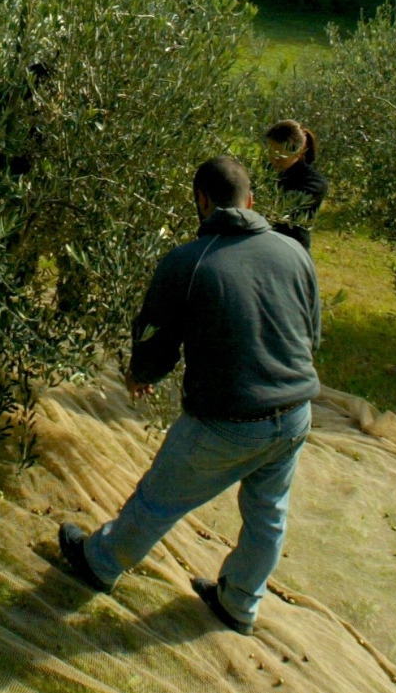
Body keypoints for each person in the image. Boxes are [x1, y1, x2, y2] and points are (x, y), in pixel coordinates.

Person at [56, 155, 322, 635]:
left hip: (228, 420)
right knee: (268, 514)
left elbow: (155, 340)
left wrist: (141, 374)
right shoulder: (294, 252)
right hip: (296, 414)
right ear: (252, 200)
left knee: (158, 500)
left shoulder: (187, 261)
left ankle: (98, 562)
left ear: (201, 201)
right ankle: (239, 603)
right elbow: (311, 333)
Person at [263, 118, 329, 234]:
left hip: (293, 246)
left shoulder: (315, 183)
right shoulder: (268, 172)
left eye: (279, 155)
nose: (273, 159)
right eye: (270, 152)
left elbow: (283, 206)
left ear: (297, 152)